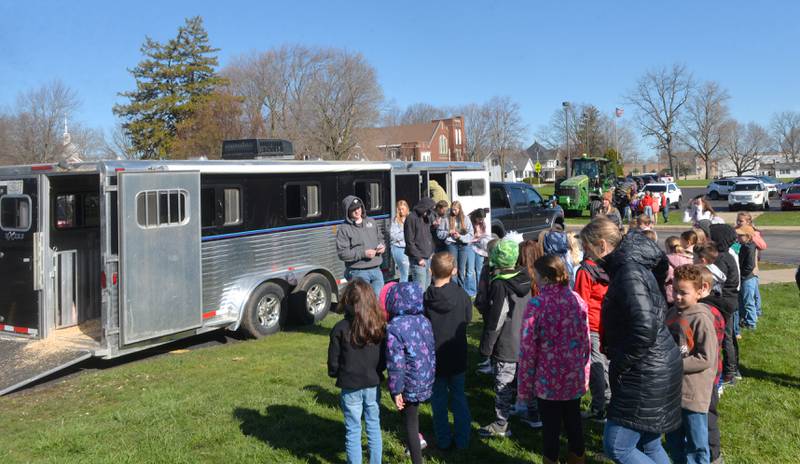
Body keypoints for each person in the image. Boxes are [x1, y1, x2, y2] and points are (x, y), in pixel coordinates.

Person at [579, 218, 682, 464]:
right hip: (656, 364)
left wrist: (620, 363)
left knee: (617, 446)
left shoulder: (628, 273)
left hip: (646, 371)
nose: (585, 255)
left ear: (602, 246)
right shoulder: (630, 266)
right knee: (649, 443)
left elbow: (644, 328)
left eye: (587, 249)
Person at [518, 255, 590, 464]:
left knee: (551, 430)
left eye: (537, 275)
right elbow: (585, 342)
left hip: (547, 381)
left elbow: (527, 350)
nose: (535, 279)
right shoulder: (577, 300)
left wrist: (524, 389)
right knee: (574, 424)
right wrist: (584, 375)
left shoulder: (537, 305)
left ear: (547, 278)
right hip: (572, 377)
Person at [476, 239, 532, 438]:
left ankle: (502, 423)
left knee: (503, 383)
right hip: (525, 340)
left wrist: (486, 346)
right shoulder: (526, 277)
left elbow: (497, 317)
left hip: (507, 342)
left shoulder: (500, 284)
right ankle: (530, 414)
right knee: (524, 379)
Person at [327, 280, 387, 464]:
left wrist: (335, 372)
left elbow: (333, 361)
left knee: (353, 429)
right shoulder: (378, 327)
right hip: (372, 382)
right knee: (373, 425)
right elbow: (383, 359)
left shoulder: (341, 329)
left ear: (347, 301)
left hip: (351, 384)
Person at [664, 265, 718, 464]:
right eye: (675, 290)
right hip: (672, 391)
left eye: (683, 292)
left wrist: (673, 362)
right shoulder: (671, 314)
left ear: (699, 291)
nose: (677, 296)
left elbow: (706, 357)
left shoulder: (701, 319)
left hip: (694, 393)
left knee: (696, 444)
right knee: (673, 440)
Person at [423, 252, 472, 450]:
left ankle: (444, 439)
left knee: (439, 401)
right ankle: (461, 440)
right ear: (454, 271)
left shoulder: (426, 298)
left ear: (430, 271)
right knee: (458, 397)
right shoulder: (461, 294)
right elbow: (468, 318)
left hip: (437, 357)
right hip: (457, 354)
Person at [385, 282, 436, 464]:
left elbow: (396, 363)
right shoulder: (425, 321)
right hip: (426, 378)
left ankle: (416, 456)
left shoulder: (394, 327)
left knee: (410, 423)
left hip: (408, 383)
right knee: (411, 416)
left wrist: (396, 390)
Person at [574, 242, 611, 422]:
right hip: (607, 320)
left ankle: (600, 407)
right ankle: (608, 401)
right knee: (605, 363)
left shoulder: (585, 271)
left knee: (596, 364)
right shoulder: (608, 267)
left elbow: (580, 301)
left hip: (593, 323)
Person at [697, 267, 726, 463]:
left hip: (706, 376)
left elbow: (706, 350)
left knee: (707, 418)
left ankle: (713, 455)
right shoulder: (711, 309)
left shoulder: (708, 313)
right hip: (710, 374)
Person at [708, 224, 741, 387]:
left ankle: (729, 373)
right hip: (728, 301)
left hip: (723, 303)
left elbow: (715, 281)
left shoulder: (721, 258)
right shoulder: (726, 255)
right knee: (728, 336)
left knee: (725, 338)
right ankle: (730, 371)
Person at [337, 195, 386, 297]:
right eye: (353, 209)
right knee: (363, 305)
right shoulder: (344, 229)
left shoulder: (371, 222)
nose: (357, 211)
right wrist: (363, 253)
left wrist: (382, 246)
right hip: (358, 272)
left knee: (379, 303)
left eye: (358, 208)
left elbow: (380, 238)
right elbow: (342, 253)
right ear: (347, 211)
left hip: (376, 269)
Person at [437, 200, 474, 291]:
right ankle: (453, 290)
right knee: (453, 268)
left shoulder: (466, 219)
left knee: (462, 270)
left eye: (455, 210)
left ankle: (461, 291)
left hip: (463, 245)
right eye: (452, 210)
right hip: (451, 245)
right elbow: (439, 233)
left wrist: (460, 237)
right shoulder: (446, 218)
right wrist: (448, 233)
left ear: (460, 209)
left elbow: (471, 235)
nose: (453, 212)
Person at [736, 212, 766, 317]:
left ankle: (757, 311)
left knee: (754, 291)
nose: (738, 222)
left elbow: (762, 246)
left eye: (741, 221)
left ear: (748, 222)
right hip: (741, 265)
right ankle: (745, 313)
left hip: (751, 266)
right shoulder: (736, 230)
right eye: (737, 220)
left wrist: (752, 235)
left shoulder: (753, 232)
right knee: (744, 292)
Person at [404, 197, 436, 291]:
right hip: (418, 260)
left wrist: (431, 252)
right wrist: (419, 259)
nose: (429, 213)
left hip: (428, 257)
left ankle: (426, 306)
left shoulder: (426, 218)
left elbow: (429, 236)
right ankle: (419, 306)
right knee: (420, 289)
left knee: (427, 287)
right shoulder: (411, 218)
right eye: (428, 210)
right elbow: (409, 241)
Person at [735, 225, 759, 330]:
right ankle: (743, 318)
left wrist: (741, 275)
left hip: (748, 278)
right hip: (744, 277)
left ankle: (751, 322)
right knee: (741, 299)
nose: (738, 237)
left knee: (748, 301)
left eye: (741, 236)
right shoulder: (743, 245)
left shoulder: (749, 247)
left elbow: (749, 266)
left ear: (748, 237)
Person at [665, 236, 695, 305]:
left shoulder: (666, 260)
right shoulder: (689, 259)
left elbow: (667, 277)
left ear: (668, 248)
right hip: (686, 293)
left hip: (670, 293)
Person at [468, 208, 491, 297]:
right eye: (480, 219)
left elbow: (484, 233)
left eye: (483, 219)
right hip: (470, 245)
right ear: (476, 217)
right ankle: (472, 291)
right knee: (470, 270)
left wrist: (482, 236)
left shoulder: (482, 222)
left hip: (479, 246)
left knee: (479, 269)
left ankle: (480, 288)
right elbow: (465, 233)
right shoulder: (469, 220)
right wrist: (475, 236)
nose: (481, 221)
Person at [390, 200, 411, 282]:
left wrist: (402, 233)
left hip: (409, 248)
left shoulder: (410, 218)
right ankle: (402, 291)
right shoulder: (396, 220)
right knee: (404, 273)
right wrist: (405, 233)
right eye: (399, 209)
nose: (401, 211)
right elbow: (393, 236)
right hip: (399, 248)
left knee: (411, 272)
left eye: (403, 209)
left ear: (407, 209)